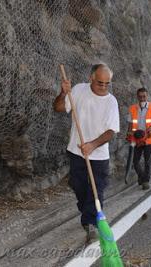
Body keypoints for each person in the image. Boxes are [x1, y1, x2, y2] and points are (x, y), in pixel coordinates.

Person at [53, 63, 120, 243]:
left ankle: (91, 222)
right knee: (78, 185)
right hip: (76, 151)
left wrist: (92, 145)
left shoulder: (111, 102)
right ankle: (87, 212)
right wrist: (63, 93)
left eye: (107, 83)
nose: (104, 87)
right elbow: (58, 108)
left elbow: (111, 131)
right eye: (100, 83)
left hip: (98, 155)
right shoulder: (79, 90)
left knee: (96, 190)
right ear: (91, 78)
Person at [127, 87, 151, 190]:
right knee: (135, 161)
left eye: (144, 96)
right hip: (136, 139)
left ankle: (145, 181)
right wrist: (128, 134)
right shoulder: (132, 108)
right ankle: (142, 177)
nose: (142, 98)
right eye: (140, 96)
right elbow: (130, 123)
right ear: (137, 96)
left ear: (147, 96)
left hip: (149, 139)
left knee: (147, 161)